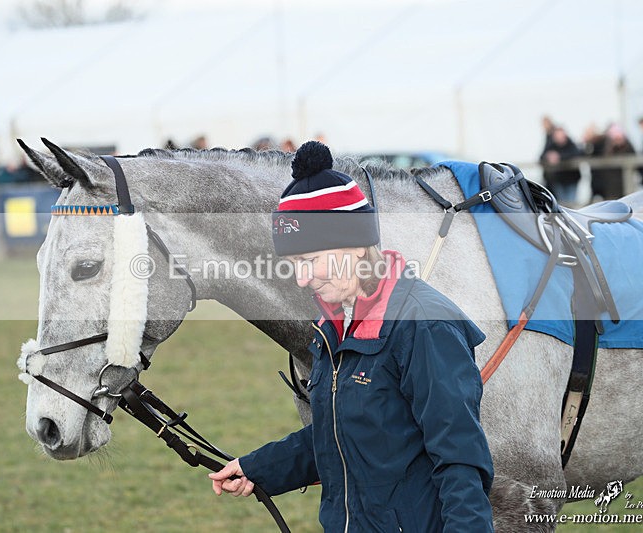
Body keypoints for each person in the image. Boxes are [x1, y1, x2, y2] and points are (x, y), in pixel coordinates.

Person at [209, 141, 495, 532]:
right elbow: (341, 433)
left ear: (356, 246)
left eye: (309, 260)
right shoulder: (334, 323)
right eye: (293, 264)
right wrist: (259, 468)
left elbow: (460, 459)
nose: (301, 279)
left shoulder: (425, 324)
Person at [540, 125, 582, 205]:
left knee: (571, 202)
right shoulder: (551, 145)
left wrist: (559, 157)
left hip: (572, 179)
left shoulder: (571, 144)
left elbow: (576, 154)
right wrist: (548, 156)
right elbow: (542, 156)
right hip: (558, 180)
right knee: (562, 203)